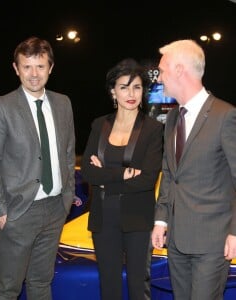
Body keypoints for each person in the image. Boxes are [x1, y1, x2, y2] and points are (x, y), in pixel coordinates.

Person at [0, 36, 76, 300]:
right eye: (27, 67)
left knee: (41, 282)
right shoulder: (1, 107)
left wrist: (66, 198)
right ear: (16, 68)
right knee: (7, 287)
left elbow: (68, 153)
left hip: (55, 208)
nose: (34, 74)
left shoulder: (63, 103)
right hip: (17, 212)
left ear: (51, 68)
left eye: (40, 66)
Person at [151, 39, 236, 299]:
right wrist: (160, 220)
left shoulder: (225, 115)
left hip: (213, 241)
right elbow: (170, 174)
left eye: (162, 70)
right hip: (177, 239)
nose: (160, 78)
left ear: (179, 70)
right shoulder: (173, 118)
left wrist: (235, 230)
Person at [81, 58, 163, 300]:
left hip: (138, 219)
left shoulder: (152, 129)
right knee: (109, 287)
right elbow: (88, 171)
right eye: (124, 87)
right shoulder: (100, 125)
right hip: (103, 218)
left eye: (136, 87)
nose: (131, 93)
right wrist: (123, 173)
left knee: (139, 287)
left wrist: (105, 177)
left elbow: (147, 179)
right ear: (113, 92)